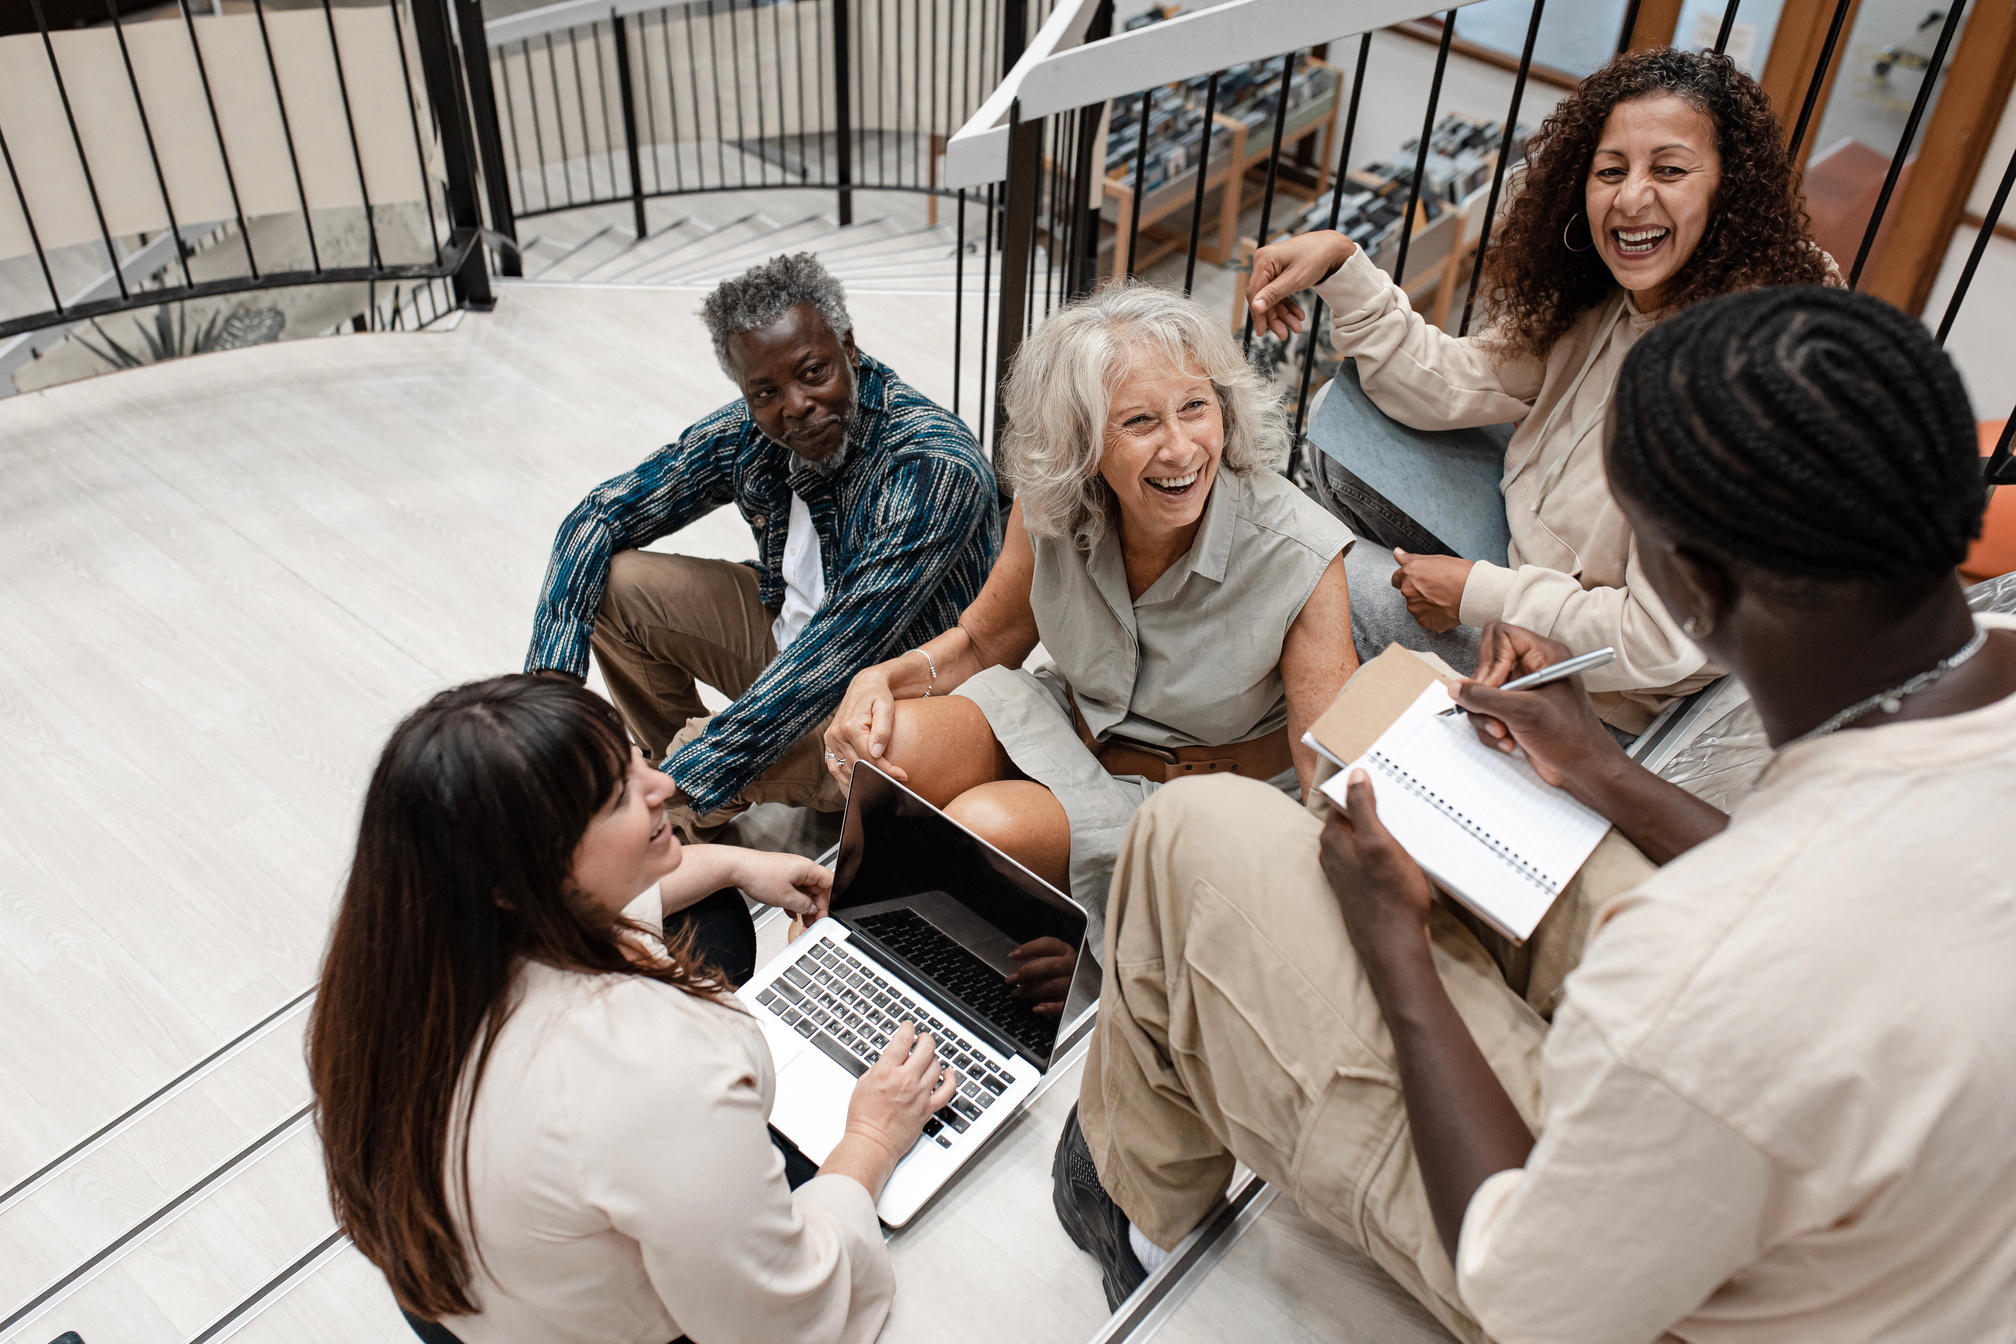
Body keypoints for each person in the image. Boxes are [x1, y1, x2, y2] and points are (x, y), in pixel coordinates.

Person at [1053, 284, 2016, 1340]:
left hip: (1638, 1292)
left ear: (1685, 587)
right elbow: (1838, 911)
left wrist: (1401, 958)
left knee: (1195, 835)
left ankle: (1149, 1220)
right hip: (1883, 1193)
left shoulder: (1708, 958)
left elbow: (1528, 1289)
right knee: (1544, 851)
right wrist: (1601, 768)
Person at [309, 675, 960, 1344]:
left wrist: (740, 864)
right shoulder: (654, 1067)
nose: (664, 788)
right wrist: (871, 1140)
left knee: (711, 911)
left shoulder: (397, 968)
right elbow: (782, 1320)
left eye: (636, 759)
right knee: (844, 1154)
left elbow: (617, 913)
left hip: (470, 1299)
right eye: (621, 796)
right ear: (523, 879)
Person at [1249, 48, 1835, 736]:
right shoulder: (1615, 296)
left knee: (1313, 572)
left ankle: (1320, 750)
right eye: (1610, 171)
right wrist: (1344, 267)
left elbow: (1658, 643)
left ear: (1730, 190)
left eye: (1670, 169)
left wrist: (1478, 595)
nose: (1630, 197)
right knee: (1338, 436)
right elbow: (1451, 383)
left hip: (1597, 688)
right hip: (1536, 567)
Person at [821, 282, 1355, 948]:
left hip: (1192, 799)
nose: (1182, 448)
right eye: (1140, 422)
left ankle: (964, 958)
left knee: (982, 827)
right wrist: (879, 680)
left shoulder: (1301, 553)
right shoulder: (1053, 501)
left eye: (1196, 408)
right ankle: (871, 952)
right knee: (888, 747)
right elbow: (987, 642)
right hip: (1069, 728)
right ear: (1083, 440)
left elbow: (1326, 776)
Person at [526, 252, 1000, 840]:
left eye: (813, 372)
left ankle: (662, 818)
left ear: (848, 348)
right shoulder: (753, 431)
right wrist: (548, 692)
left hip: (889, 705)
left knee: (688, 762)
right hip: (794, 645)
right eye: (766, 391)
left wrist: (691, 769)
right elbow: (600, 514)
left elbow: (834, 659)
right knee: (615, 582)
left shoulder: (931, 464)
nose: (795, 404)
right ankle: (680, 803)